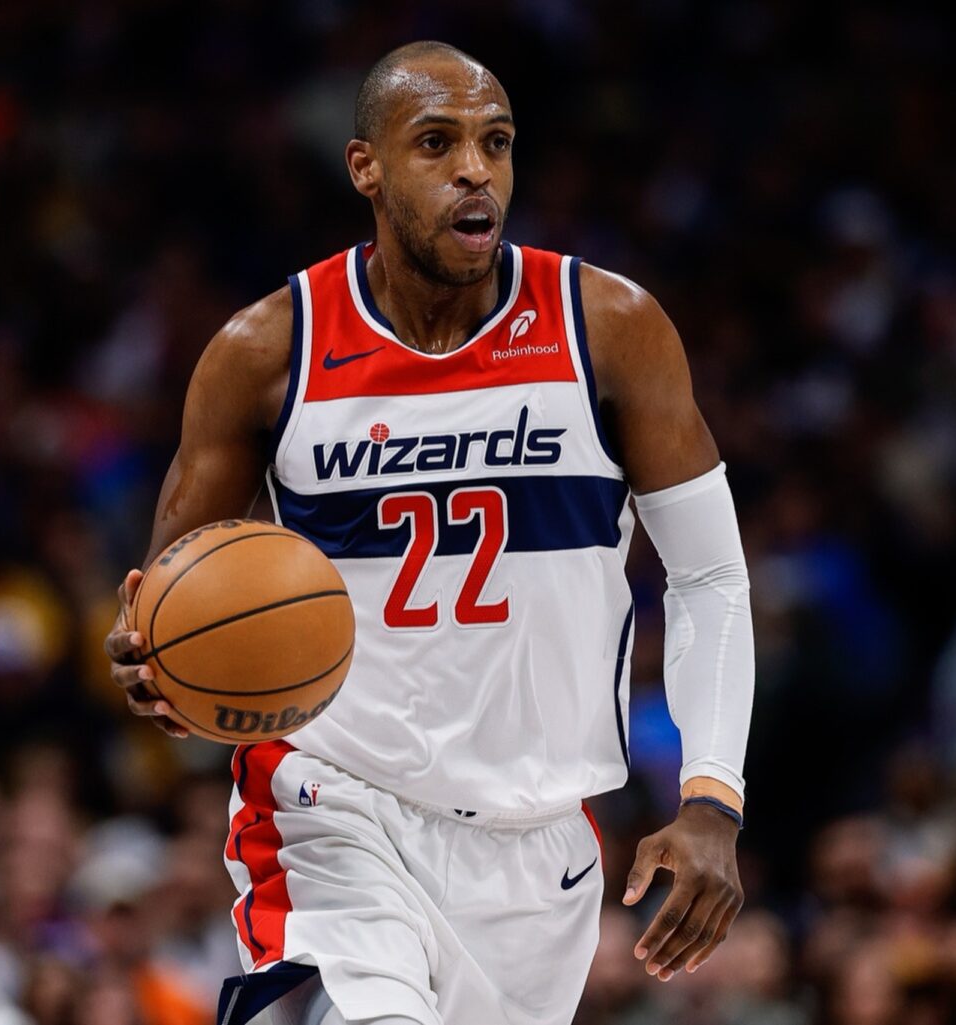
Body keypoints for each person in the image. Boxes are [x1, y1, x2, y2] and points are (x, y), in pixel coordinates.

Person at [104, 41, 755, 1025]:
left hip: (540, 837)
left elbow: (708, 574)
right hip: (335, 805)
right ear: (365, 165)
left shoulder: (610, 328)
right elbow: (169, 599)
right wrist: (156, 661)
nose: (474, 169)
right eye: (438, 143)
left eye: (496, 143)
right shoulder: (269, 350)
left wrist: (713, 795)